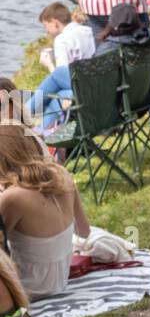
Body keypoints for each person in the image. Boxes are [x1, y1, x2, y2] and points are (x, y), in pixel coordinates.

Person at [0, 123, 89, 300]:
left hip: (29, 287)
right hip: (59, 281)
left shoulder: (12, 198)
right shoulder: (62, 175)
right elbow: (84, 232)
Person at [27, 2, 95, 127]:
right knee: (57, 98)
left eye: (46, 26)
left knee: (57, 77)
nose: (46, 31)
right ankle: (40, 132)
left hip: (81, 90)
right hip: (95, 86)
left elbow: (58, 78)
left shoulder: (62, 40)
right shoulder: (88, 31)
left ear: (55, 22)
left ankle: (23, 113)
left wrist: (48, 64)